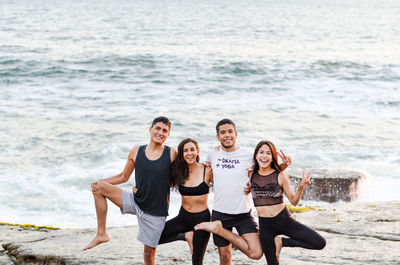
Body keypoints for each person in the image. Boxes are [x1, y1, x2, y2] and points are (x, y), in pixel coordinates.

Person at [195, 119, 292, 265]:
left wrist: (283, 166)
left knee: (256, 252)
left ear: (236, 134)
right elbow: (208, 175)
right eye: (223, 132)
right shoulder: (212, 155)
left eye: (230, 131)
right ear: (217, 137)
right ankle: (219, 228)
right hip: (220, 212)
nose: (227, 135)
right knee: (225, 257)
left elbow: (265, 173)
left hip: (243, 213)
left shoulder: (247, 155)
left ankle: (219, 230)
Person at [83, 116, 177, 265]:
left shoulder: (171, 154)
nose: (160, 132)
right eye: (157, 128)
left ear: (168, 134)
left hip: (155, 211)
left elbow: (180, 177)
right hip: (135, 201)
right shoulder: (136, 151)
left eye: (165, 130)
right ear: (150, 129)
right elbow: (123, 176)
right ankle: (101, 233)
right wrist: (100, 182)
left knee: (148, 253)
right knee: (99, 188)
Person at [247, 140, 326, 264]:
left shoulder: (281, 176)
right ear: (256, 155)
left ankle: (282, 242)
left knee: (320, 242)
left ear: (272, 157)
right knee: (272, 262)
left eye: (268, 153)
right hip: (265, 226)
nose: (264, 156)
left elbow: (294, 201)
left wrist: (300, 187)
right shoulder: (250, 175)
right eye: (261, 152)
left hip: (284, 220)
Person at [157, 138, 212, 265]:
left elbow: (224, 185)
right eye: (185, 151)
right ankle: (185, 236)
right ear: (181, 154)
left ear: (197, 151)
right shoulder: (178, 172)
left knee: (197, 261)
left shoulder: (207, 170)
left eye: (192, 149)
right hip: (183, 217)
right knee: (155, 237)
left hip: (202, 220)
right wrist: (139, 188)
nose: (189, 153)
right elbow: (160, 184)